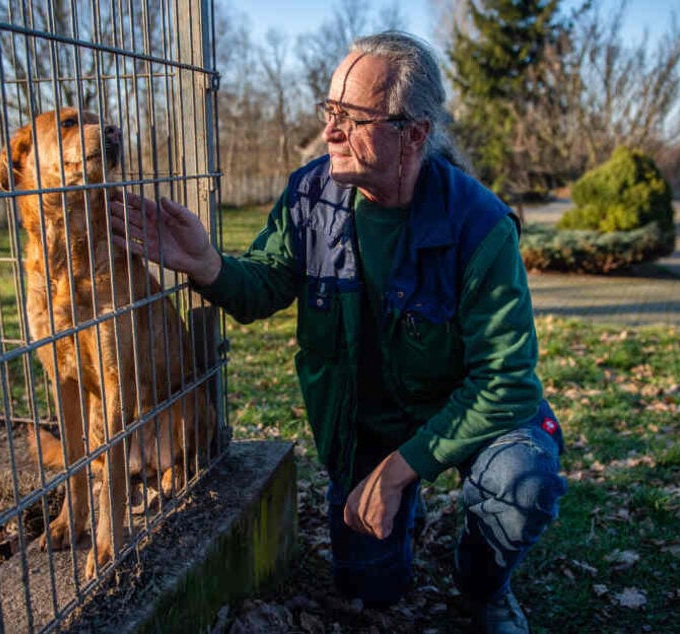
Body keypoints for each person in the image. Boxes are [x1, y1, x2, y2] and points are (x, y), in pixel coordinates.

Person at [110, 31, 566, 634]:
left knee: (521, 482)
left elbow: (506, 381)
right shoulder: (309, 194)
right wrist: (208, 266)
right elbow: (266, 285)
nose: (330, 132)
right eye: (330, 112)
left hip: (465, 415)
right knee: (369, 586)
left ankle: (484, 583)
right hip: (366, 427)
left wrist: (404, 467)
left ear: (415, 134)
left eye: (353, 118)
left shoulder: (479, 224)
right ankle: (404, 510)